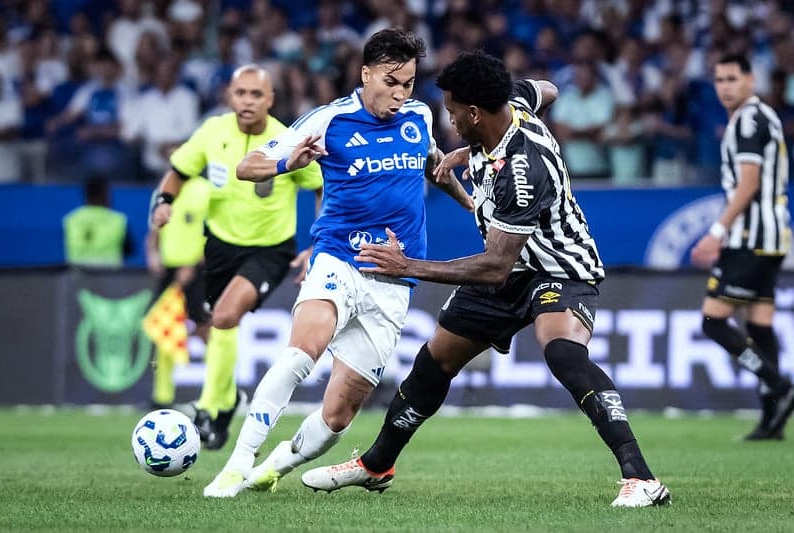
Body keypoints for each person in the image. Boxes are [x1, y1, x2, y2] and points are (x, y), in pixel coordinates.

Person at [301, 50, 671, 508]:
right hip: (508, 270)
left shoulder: (521, 170)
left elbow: (494, 264)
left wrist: (407, 265)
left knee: (562, 351)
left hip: (557, 268)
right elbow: (548, 88)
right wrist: (468, 149)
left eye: (453, 112)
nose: (449, 120)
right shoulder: (509, 105)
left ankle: (641, 479)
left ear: (474, 112)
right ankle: (376, 465)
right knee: (435, 361)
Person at [202, 28, 472, 498]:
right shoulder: (330, 120)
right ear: (366, 74)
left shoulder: (418, 116)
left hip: (394, 278)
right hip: (340, 258)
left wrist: (470, 205)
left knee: (337, 417)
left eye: (408, 82)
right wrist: (291, 162)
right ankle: (236, 464)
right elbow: (249, 167)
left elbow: (433, 165)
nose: (400, 92)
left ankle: (273, 467)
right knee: (301, 353)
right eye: (391, 80)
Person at [150, 64, 324, 450]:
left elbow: (320, 187)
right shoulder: (213, 133)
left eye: (256, 94)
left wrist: (319, 241)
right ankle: (227, 403)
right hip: (219, 247)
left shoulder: (286, 139)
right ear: (230, 96)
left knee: (225, 316)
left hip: (270, 249)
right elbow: (179, 171)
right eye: (241, 93)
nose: (248, 101)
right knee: (217, 325)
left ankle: (209, 408)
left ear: (271, 100)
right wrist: (164, 203)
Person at [691, 54, 794, 441]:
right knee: (761, 325)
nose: (725, 87)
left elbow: (748, 183)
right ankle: (772, 420)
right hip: (770, 238)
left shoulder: (751, 118)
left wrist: (717, 231)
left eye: (733, 78)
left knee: (713, 320)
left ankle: (779, 385)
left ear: (751, 79)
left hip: (750, 238)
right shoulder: (757, 117)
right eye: (719, 80)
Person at [145, 174, 211, 409]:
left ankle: (218, 392)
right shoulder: (164, 190)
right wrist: (152, 254)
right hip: (169, 271)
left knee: (205, 329)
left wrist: (192, 265)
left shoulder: (205, 190)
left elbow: (214, 233)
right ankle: (162, 397)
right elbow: (154, 230)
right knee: (164, 330)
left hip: (196, 270)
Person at [63, 176, 131, 267]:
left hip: (78, 278)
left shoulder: (70, 220)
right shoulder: (118, 220)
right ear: (105, 194)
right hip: (110, 277)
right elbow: (129, 250)